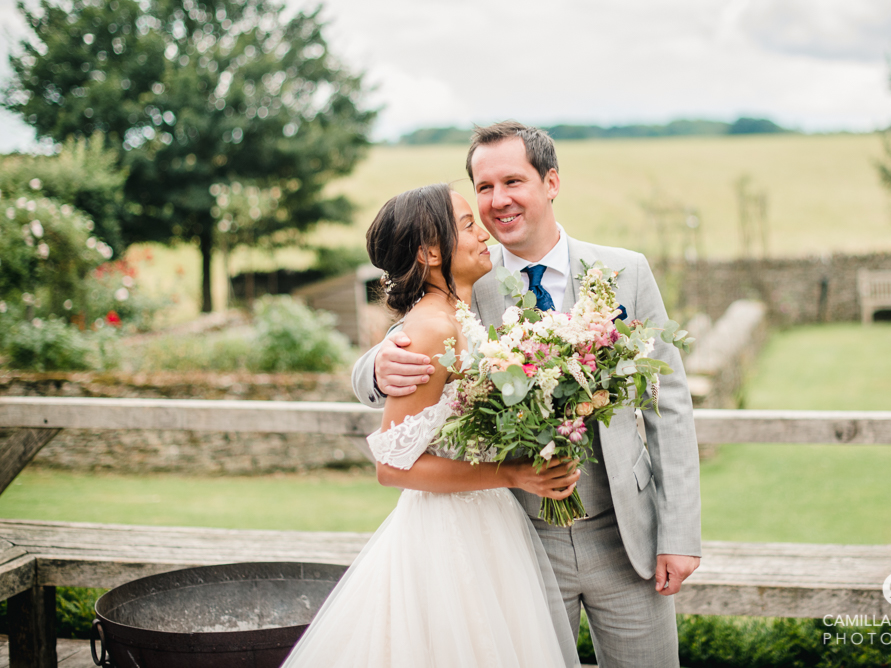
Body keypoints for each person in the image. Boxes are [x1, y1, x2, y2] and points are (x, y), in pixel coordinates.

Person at [353, 122, 702, 668]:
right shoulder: (468, 280)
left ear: (551, 182)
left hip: (625, 534)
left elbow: (671, 405)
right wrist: (376, 366)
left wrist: (679, 532)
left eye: (512, 181)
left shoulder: (625, 272)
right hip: (516, 540)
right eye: (483, 188)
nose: (497, 201)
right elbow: (413, 348)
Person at [283, 184, 581, 668]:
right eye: (466, 224)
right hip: (446, 537)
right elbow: (392, 467)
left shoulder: (460, 316)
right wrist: (511, 474)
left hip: (488, 522)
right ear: (430, 250)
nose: (482, 232)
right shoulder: (430, 329)